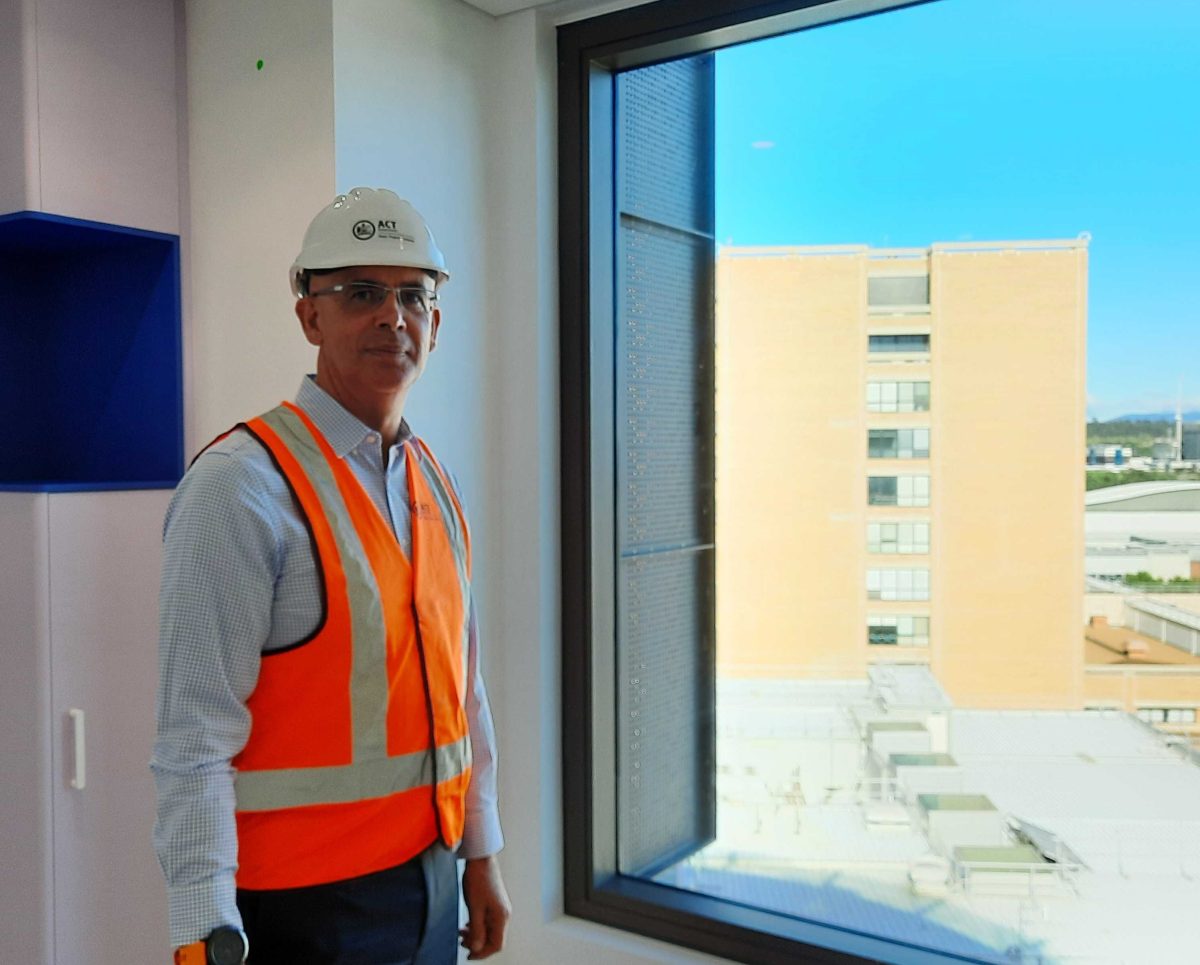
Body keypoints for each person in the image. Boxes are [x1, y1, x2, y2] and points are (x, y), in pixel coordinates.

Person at [152, 187, 510, 965]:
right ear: (310, 316)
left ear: (436, 324)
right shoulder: (240, 486)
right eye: (361, 293)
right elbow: (193, 737)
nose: (393, 315)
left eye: (413, 295)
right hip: (299, 911)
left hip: (430, 878)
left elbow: (463, 689)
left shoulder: (433, 482)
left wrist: (481, 847)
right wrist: (201, 932)